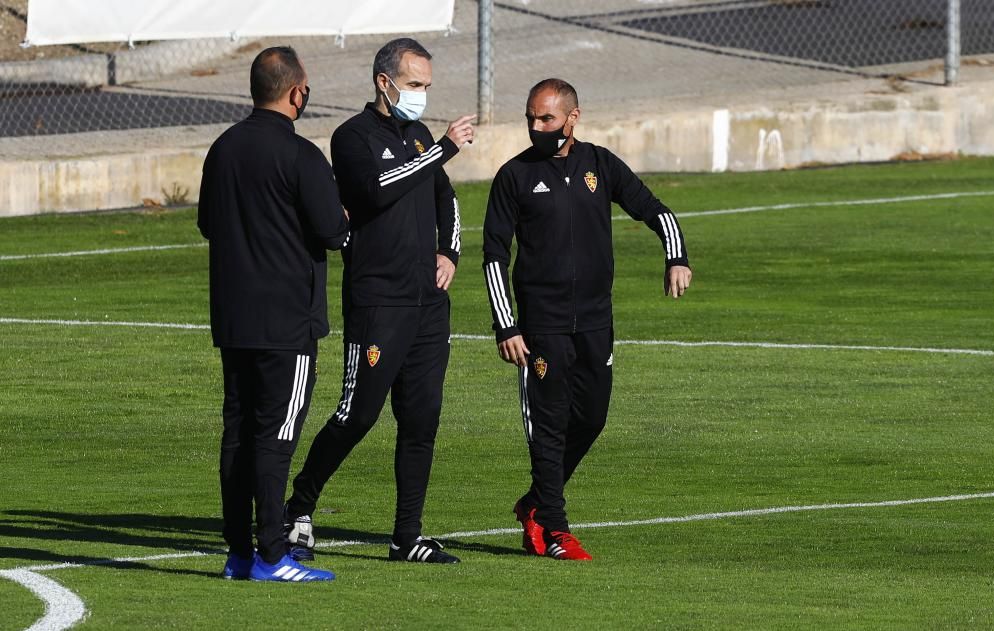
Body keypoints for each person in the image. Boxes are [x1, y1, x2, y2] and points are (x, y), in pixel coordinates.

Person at [482, 78, 693, 561]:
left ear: (573, 118)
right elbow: (494, 254)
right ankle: (554, 527)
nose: (537, 128)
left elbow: (654, 210)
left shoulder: (600, 163)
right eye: (531, 118)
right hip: (541, 327)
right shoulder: (513, 176)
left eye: (547, 120)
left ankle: (535, 502)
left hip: (597, 322)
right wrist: (507, 325)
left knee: (592, 418)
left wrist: (675, 257)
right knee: (549, 425)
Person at [283, 37, 475, 565]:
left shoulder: (417, 137)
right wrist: (441, 148)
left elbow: (445, 199)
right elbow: (374, 189)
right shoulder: (351, 137)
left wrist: (449, 252)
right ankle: (298, 508)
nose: (421, 96)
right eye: (414, 85)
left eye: (427, 87)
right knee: (357, 413)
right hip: (378, 300)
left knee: (422, 419)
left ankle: (405, 537)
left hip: (427, 305)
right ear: (383, 82)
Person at [198, 46, 348, 582]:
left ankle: (239, 552)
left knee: (237, 433)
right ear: (296, 92)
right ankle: (269, 554)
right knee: (276, 437)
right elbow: (334, 232)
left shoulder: (223, 148)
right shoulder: (302, 156)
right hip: (287, 323)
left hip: (234, 320)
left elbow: (208, 225)